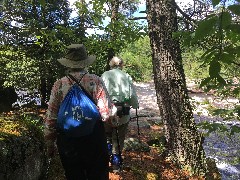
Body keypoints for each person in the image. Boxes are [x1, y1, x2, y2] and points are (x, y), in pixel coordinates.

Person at [44, 44, 114, 180]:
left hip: (68, 141)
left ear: (68, 64)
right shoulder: (96, 81)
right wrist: (109, 131)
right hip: (94, 138)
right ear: (85, 62)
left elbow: (51, 118)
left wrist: (49, 144)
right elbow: (106, 114)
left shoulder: (59, 84)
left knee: (74, 175)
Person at [101, 56, 139, 172]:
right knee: (118, 138)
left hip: (107, 111)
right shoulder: (126, 76)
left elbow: (99, 93)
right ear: (121, 65)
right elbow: (132, 95)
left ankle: (105, 161)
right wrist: (135, 105)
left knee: (107, 136)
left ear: (110, 64)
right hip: (122, 111)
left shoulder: (104, 75)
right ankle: (116, 165)